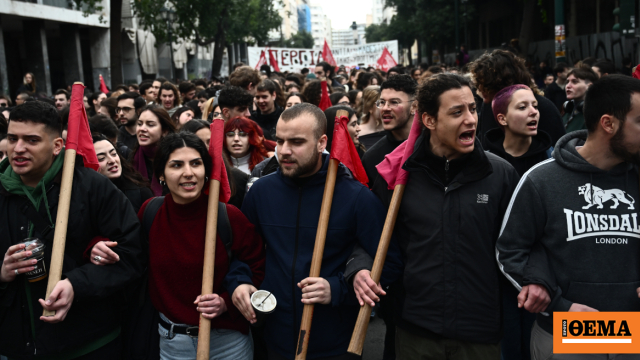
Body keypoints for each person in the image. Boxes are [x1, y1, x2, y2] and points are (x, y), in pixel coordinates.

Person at [351, 73, 521, 360]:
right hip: (415, 331)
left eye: (472, 109)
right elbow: (369, 238)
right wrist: (359, 269)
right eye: (457, 112)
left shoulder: (500, 175)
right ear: (429, 120)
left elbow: (518, 248)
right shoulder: (398, 176)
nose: (470, 119)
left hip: (480, 333)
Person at [235, 103, 402, 359]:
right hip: (272, 338)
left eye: (297, 142)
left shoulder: (356, 197)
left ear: (322, 141)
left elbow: (388, 264)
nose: (285, 150)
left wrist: (337, 289)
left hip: (334, 341)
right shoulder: (260, 192)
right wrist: (240, 283)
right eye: (280, 140)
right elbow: (241, 255)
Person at [496, 75, 640, 359]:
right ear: (608, 124)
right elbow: (510, 250)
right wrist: (560, 307)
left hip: (633, 329)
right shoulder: (542, 180)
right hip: (568, 329)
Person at [92, 132, 266, 360]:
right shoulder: (151, 213)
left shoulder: (228, 217)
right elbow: (127, 251)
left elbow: (258, 266)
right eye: (176, 165)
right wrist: (96, 246)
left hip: (227, 342)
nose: (188, 173)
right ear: (162, 174)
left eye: (196, 163)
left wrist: (227, 301)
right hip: (172, 342)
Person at [0, 101, 143, 359]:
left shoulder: (93, 187)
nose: (18, 148)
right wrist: (2, 271)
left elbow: (131, 253)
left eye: (31, 140)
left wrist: (77, 283)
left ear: (57, 146)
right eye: (12, 138)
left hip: (89, 344)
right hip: (18, 346)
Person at [482, 84, 553, 360]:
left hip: (543, 283)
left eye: (535, 105)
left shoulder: (552, 162)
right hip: (495, 282)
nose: (533, 112)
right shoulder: (482, 165)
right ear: (502, 118)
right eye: (522, 107)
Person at [470, 49, 566, 149]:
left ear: (499, 83)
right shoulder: (488, 105)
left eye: (485, 85)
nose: (480, 90)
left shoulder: (544, 108)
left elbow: (560, 151)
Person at [179, 120, 250, 210]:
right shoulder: (177, 176)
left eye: (210, 142)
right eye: (198, 143)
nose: (205, 147)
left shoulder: (238, 178)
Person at [361, 74, 416, 188]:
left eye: (394, 102)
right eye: (382, 102)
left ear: (414, 107)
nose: (385, 108)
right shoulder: (372, 157)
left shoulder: (433, 146)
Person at [92, 134, 152, 212]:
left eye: (113, 154)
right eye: (101, 158)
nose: (112, 160)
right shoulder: (85, 199)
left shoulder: (141, 193)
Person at [132, 105, 176, 195]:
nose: (142, 129)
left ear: (164, 131)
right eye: (139, 124)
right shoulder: (131, 158)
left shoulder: (176, 158)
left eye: (150, 125)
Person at [562, 67, 599, 132]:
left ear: (589, 86)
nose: (568, 86)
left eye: (574, 82)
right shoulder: (568, 111)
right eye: (567, 82)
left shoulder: (594, 116)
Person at [357, 85, 384, 149]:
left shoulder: (394, 130)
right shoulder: (357, 132)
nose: (385, 107)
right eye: (381, 103)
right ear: (370, 107)